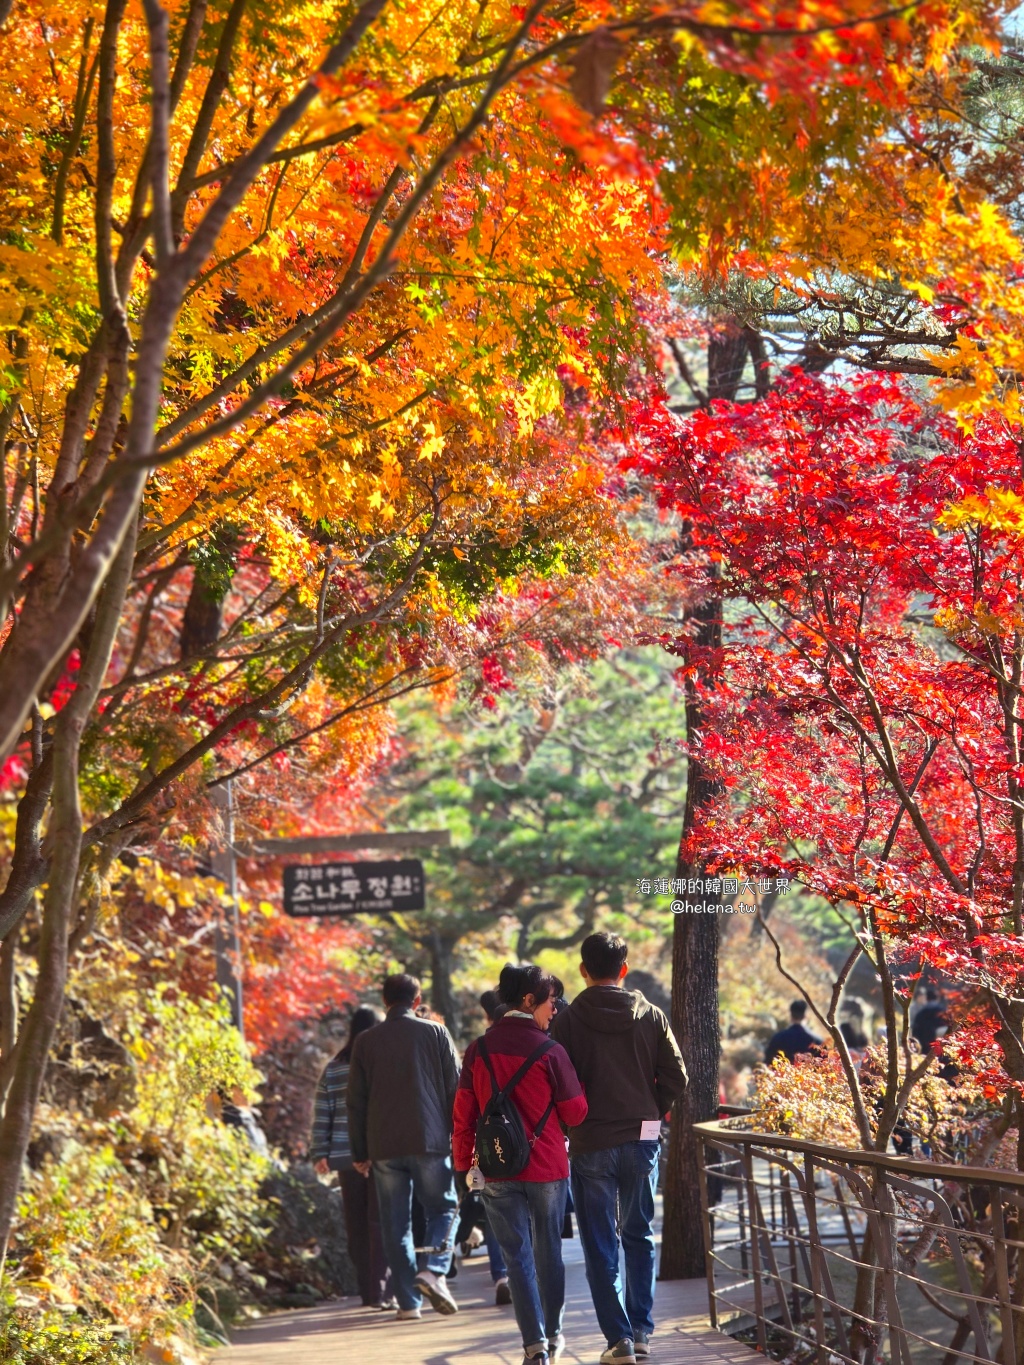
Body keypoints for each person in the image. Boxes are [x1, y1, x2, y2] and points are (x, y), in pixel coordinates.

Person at [550, 933, 686, 1365]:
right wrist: (651, 1108)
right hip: (642, 1137)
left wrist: (572, 1123)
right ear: (623, 969)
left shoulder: (566, 1023)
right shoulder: (651, 1015)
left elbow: (558, 1084)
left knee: (599, 1243)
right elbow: (677, 1076)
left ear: (583, 970)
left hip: (590, 1140)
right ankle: (642, 1330)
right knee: (639, 1234)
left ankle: (619, 1340)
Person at [454, 963, 588, 1365]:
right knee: (549, 1254)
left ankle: (534, 1346)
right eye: (551, 1001)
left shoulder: (478, 1050)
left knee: (516, 1259)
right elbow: (576, 1112)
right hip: (546, 1166)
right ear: (529, 1001)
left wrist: (463, 1166)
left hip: (496, 1166)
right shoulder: (551, 1051)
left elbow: (463, 1115)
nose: (555, 1009)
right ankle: (554, 1332)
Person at [347, 973, 461, 1320]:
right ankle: (434, 1271)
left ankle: (409, 1303)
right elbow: (455, 1090)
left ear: (384, 1002)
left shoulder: (366, 1042)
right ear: (417, 1000)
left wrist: (359, 1151)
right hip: (429, 1140)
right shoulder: (436, 1033)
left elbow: (356, 1102)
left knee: (395, 1225)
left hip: (383, 1146)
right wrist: (460, 1137)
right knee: (443, 1208)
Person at [311, 1005, 390, 1307]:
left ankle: (367, 1290)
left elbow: (323, 1112)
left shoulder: (334, 1067)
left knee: (356, 1224)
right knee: (380, 1222)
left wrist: (320, 1151)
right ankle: (381, 1289)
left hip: (345, 1156)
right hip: (381, 1153)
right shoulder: (380, 1063)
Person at [765, 1000, 821, 1065]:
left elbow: (769, 1061)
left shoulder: (778, 1038)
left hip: (782, 1071)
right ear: (805, 1015)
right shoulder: (817, 1041)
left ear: (791, 1015)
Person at [912, 987, 948, 1051]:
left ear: (926, 998)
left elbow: (915, 1030)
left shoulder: (921, 1012)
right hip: (940, 1046)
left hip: (923, 1045)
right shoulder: (943, 1011)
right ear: (937, 998)